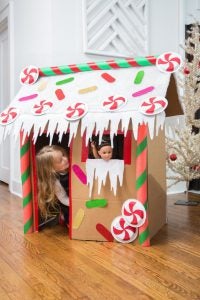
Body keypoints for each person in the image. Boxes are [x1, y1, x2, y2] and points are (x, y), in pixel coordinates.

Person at [36, 145, 69, 228]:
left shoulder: (74, 165)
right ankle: (63, 218)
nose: (65, 159)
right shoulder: (55, 182)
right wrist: (77, 203)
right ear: (51, 169)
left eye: (63, 155)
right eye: (60, 160)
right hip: (68, 202)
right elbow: (63, 199)